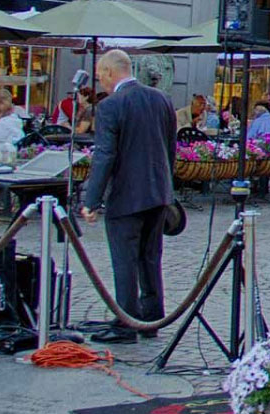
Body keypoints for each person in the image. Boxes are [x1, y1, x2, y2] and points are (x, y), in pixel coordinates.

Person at [78, 50, 175, 344]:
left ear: (109, 72)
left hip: (127, 194)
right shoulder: (161, 99)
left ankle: (126, 322)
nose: (100, 82)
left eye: (100, 76)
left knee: (124, 259)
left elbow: (105, 156)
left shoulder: (111, 105)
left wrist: (90, 200)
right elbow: (170, 146)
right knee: (150, 256)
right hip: (158, 192)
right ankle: (151, 317)